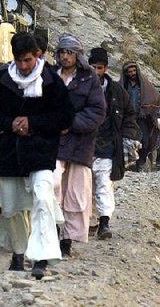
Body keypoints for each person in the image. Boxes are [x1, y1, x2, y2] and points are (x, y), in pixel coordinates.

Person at [0, 32, 74, 280]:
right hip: (9, 154)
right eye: (19, 60)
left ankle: (41, 257)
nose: (23, 66)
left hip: (40, 153)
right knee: (12, 208)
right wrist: (10, 123)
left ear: (37, 56)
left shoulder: (52, 82)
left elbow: (64, 116)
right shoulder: (0, 80)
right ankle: (18, 253)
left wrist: (32, 123)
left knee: (42, 199)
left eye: (28, 60)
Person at [53, 35, 106, 256]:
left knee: (75, 194)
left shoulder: (89, 79)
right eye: (62, 52)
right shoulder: (50, 76)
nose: (65, 56)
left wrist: (70, 123)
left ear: (78, 55)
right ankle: (49, 234)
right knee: (51, 187)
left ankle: (67, 240)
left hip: (79, 144)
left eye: (70, 52)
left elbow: (96, 111)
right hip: (52, 142)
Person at [87, 47, 136, 240]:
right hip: (84, 145)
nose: (95, 71)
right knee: (85, 185)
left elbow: (130, 114)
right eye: (93, 67)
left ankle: (104, 222)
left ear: (105, 68)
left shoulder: (117, 91)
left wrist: (128, 137)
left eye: (99, 67)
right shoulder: (80, 87)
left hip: (108, 146)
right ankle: (90, 221)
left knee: (104, 184)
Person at [120, 61, 160, 170]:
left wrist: (149, 111)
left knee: (145, 142)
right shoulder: (123, 85)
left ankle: (140, 162)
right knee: (127, 141)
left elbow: (155, 95)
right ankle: (129, 166)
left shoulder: (144, 85)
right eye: (129, 72)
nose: (132, 73)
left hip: (142, 118)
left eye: (134, 71)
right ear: (126, 73)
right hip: (127, 119)